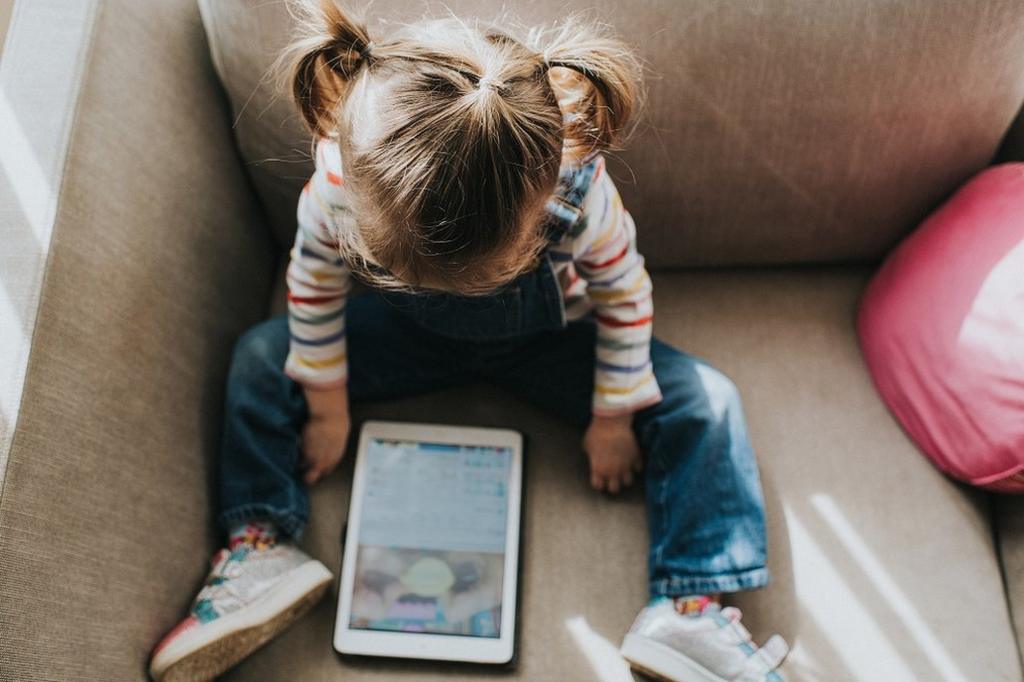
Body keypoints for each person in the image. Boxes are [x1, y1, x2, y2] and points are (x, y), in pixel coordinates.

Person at [149, 2, 788, 680]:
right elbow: (312, 279)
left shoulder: (577, 189)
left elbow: (625, 292)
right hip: (406, 334)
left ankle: (688, 613)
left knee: (708, 401)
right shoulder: (340, 176)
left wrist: (613, 414)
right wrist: (327, 396)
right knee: (257, 358)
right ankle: (260, 544)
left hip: (550, 338)